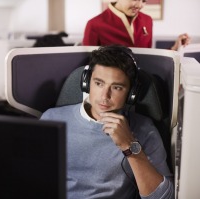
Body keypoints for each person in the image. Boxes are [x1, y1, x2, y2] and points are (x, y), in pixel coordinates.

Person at [40, 45, 174, 199]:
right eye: (99, 83)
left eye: (117, 87)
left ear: (131, 93)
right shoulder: (51, 119)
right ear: (86, 82)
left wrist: (130, 147)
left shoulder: (144, 129)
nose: (105, 96)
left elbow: (165, 197)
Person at [82, 0, 190, 51]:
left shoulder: (147, 20)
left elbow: (148, 56)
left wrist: (175, 48)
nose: (139, 5)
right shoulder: (94, 24)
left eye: (144, 0)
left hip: (143, 83)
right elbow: (88, 65)